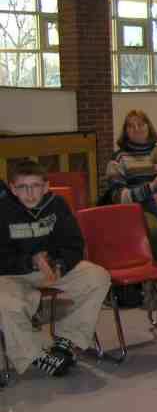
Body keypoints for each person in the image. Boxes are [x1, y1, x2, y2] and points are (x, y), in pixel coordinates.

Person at [0, 160, 111, 377]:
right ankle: (36, 354)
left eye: (35, 186)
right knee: (4, 303)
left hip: (53, 268)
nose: (30, 193)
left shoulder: (57, 204)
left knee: (98, 276)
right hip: (14, 274)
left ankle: (65, 340)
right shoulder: (3, 210)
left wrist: (59, 264)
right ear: (12, 188)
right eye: (23, 187)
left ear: (46, 186)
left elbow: (74, 244)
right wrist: (30, 261)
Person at [105, 110, 157, 261]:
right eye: (131, 126)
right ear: (125, 131)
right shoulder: (117, 159)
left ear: (148, 127)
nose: (136, 129)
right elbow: (118, 197)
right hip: (136, 207)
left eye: (141, 124)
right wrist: (149, 188)